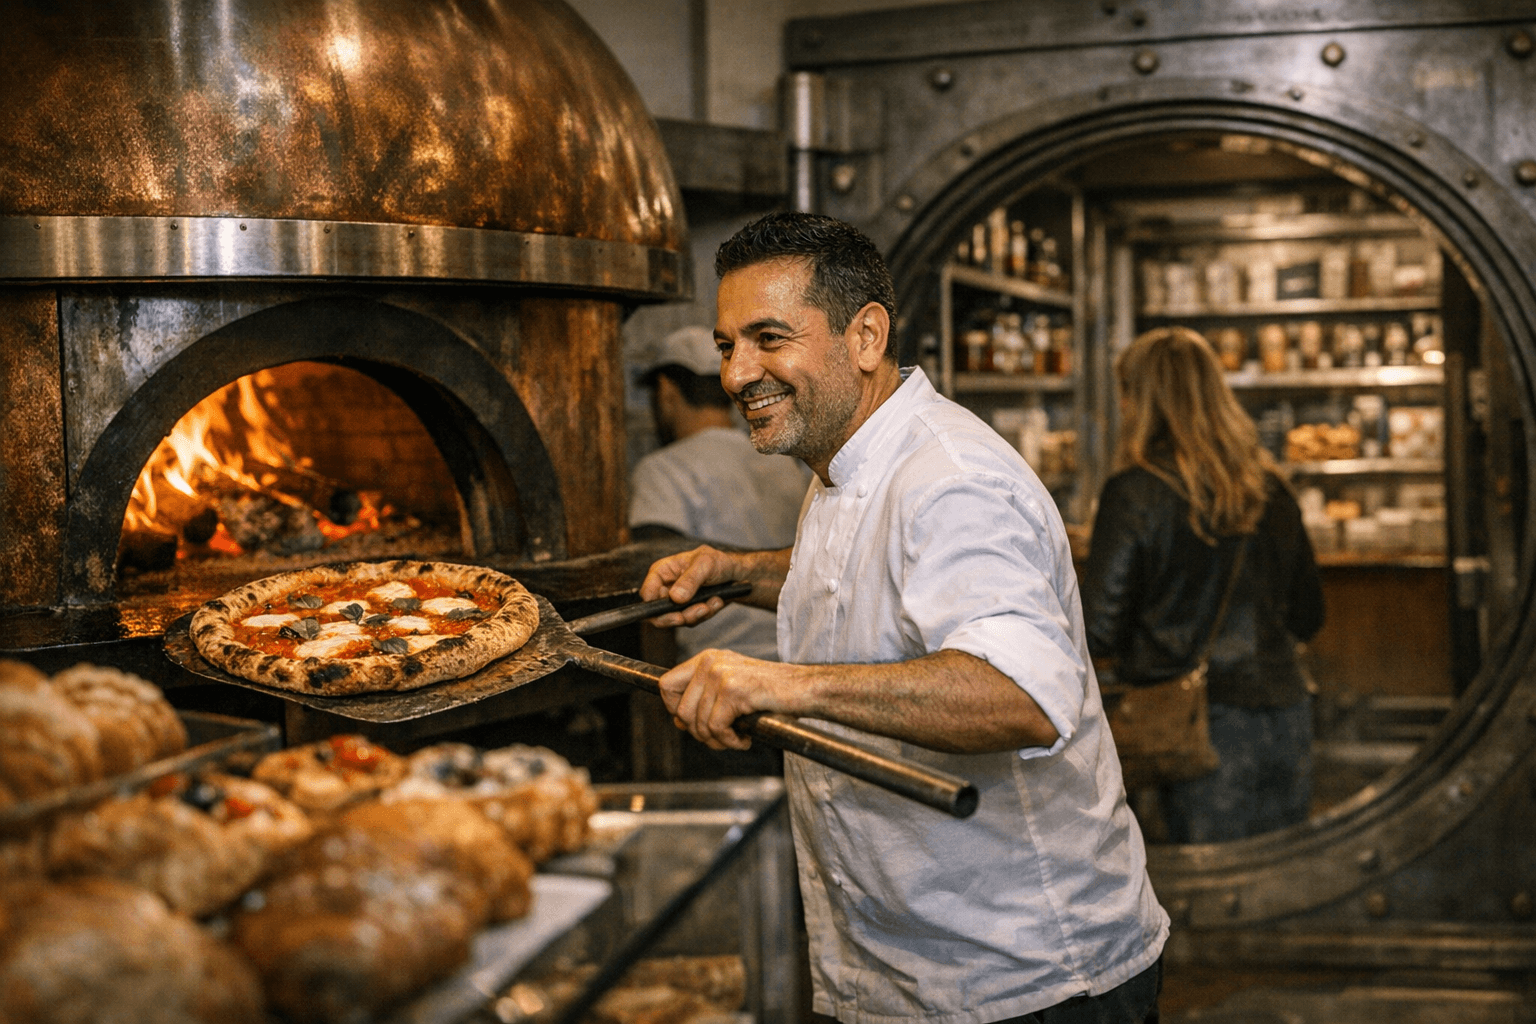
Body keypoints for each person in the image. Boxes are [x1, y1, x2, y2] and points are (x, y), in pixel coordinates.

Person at [640, 212, 1167, 1024]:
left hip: (1024, 977)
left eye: (769, 338)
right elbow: (868, 568)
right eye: (724, 345)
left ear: (866, 336)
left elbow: (1023, 695)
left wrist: (778, 686)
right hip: (908, 967)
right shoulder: (851, 455)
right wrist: (740, 572)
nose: (738, 373)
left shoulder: (952, 480)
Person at [1080, 325, 1325, 844]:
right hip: (1287, 712)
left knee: (1210, 897)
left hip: (1190, 728)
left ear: (1141, 401)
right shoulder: (1271, 488)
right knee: (1284, 884)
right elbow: (1310, 615)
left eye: (1126, 393)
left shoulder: (1134, 493)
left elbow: (1098, 631)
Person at [629, 325, 812, 662]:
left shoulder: (661, 470)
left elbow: (653, 601)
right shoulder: (783, 460)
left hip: (721, 670)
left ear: (666, 391)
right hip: (798, 656)